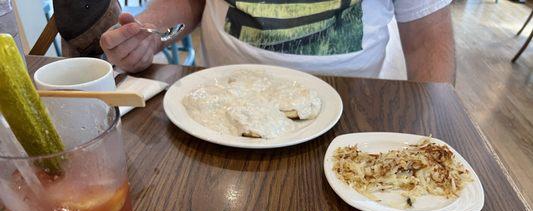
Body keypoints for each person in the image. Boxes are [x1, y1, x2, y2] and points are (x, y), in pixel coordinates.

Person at [100, 0, 455, 84]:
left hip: (352, 109)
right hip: (223, 95)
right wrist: (148, 34)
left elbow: (427, 41)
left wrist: (432, 134)